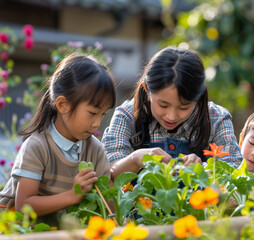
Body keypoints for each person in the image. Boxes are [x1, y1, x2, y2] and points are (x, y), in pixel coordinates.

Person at [0, 53, 116, 224]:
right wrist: (72, 196)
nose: (97, 123)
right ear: (62, 105)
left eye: (103, 114)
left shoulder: (95, 151)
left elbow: (109, 204)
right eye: (92, 113)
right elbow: (23, 206)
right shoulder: (37, 146)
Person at [103, 46, 243, 179]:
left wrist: (204, 169)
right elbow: (108, 175)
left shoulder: (216, 119)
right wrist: (135, 159)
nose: (171, 116)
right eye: (163, 105)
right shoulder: (127, 116)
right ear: (147, 90)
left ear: (197, 98)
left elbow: (234, 172)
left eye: (183, 107)